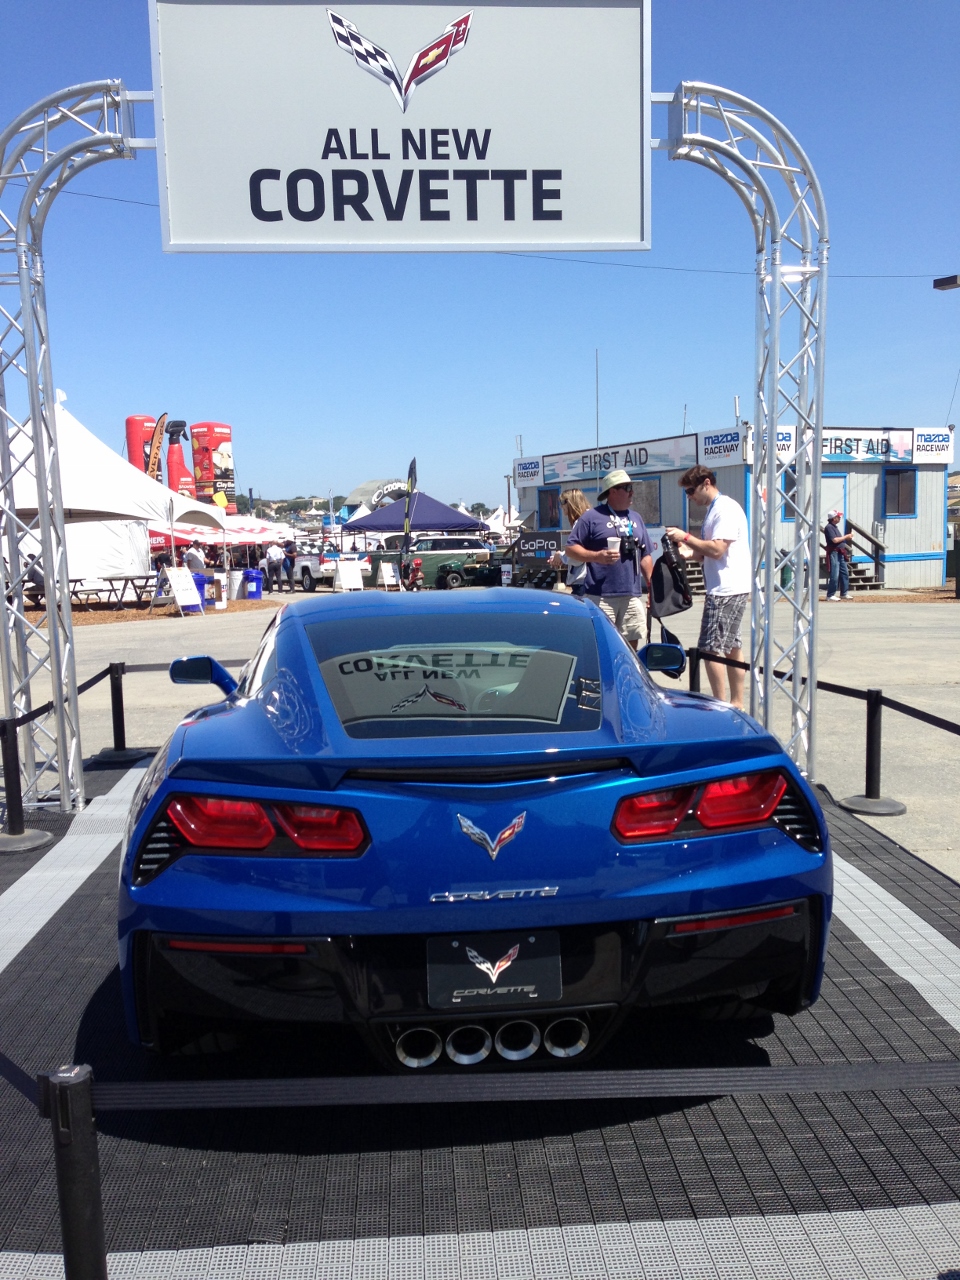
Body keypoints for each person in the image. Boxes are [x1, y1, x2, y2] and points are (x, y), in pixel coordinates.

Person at [665, 465, 751, 711]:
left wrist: (686, 537)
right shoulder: (716, 509)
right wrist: (689, 553)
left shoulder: (725, 509)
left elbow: (717, 549)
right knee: (732, 645)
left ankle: (720, 705)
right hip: (729, 585)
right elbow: (709, 554)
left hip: (725, 588)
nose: (689, 496)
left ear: (706, 483)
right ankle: (736, 702)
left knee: (710, 648)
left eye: (690, 491)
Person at [564, 470, 653, 649]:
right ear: (612, 491)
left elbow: (645, 554)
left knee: (631, 646)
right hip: (601, 595)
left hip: (632, 594)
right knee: (602, 645)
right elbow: (571, 548)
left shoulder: (636, 518)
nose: (632, 492)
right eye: (627, 488)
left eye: (631, 487)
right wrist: (597, 556)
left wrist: (652, 585)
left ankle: (627, 676)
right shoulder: (591, 517)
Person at [551, 489, 592, 597]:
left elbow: (577, 556)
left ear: (569, 503)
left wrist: (560, 556)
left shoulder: (581, 522)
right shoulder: (591, 519)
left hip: (583, 583)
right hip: (592, 580)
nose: (561, 507)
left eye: (562, 503)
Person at [824, 509, 853, 601]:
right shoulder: (829, 527)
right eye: (838, 516)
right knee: (834, 574)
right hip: (834, 552)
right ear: (833, 518)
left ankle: (844, 593)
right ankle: (830, 594)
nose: (840, 518)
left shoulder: (834, 527)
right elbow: (835, 540)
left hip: (840, 552)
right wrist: (846, 537)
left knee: (844, 573)